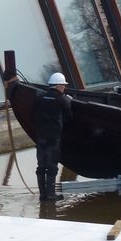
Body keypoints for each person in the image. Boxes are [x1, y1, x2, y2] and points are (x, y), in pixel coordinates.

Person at [34, 72, 72, 202]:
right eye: (63, 85)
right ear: (59, 86)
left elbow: (33, 114)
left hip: (40, 138)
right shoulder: (61, 99)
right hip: (53, 138)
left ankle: (42, 195)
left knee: (41, 167)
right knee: (52, 167)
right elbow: (69, 117)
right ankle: (51, 195)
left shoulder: (40, 98)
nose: (64, 88)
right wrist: (68, 101)